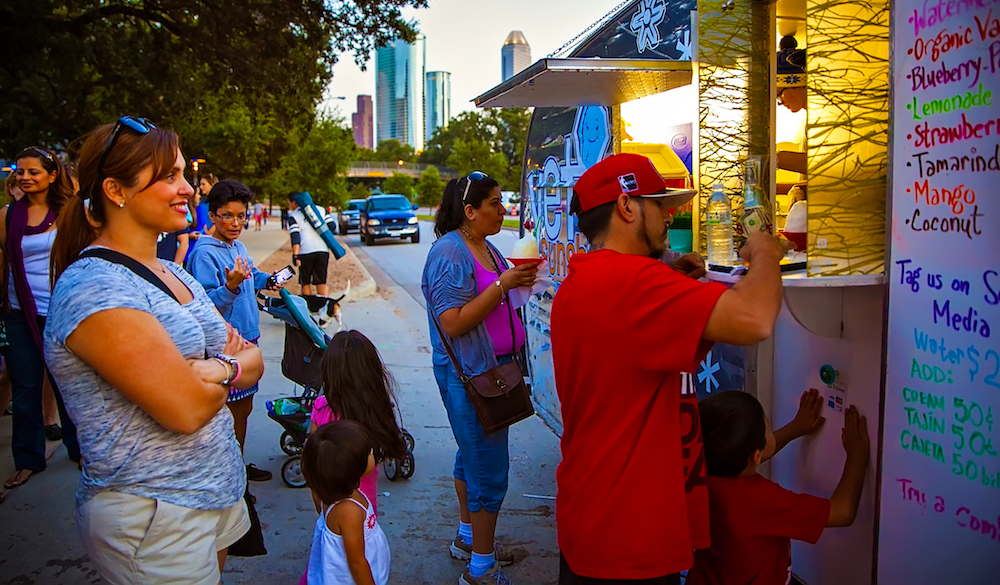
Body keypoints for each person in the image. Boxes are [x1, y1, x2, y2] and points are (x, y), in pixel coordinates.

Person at [550, 152, 793, 583]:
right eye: (660, 205)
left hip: (591, 516)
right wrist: (765, 253)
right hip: (627, 539)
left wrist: (677, 287)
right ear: (627, 206)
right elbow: (756, 318)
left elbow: (632, 347)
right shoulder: (636, 284)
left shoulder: (583, 279)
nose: (668, 218)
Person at [45, 116, 263, 583]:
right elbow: (185, 408)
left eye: (184, 174)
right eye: (170, 176)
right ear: (116, 190)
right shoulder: (95, 285)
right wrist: (225, 369)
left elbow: (255, 361)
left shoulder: (177, 275)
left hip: (215, 494)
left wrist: (210, 369)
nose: (188, 188)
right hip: (155, 514)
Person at [421, 172, 537, 585]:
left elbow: (499, 295)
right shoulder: (451, 252)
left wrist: (519, 281)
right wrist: (503, 286)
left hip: (493, 371)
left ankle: (470, 539)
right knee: (489, 471)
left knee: (470, 454)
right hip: (471, 376)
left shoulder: (484, 246)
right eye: (494, 203)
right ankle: (481, 569)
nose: (503, 210)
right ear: (469, 211)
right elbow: (451, 322)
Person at [687, 390, 870, 585]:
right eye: (767, 427)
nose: (770, 429)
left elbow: (741, 458)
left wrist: (795, 428)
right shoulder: (761, 500)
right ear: (756, 455)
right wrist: (857, 454)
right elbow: (843, 512)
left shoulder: (698, 473)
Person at [1, 146, 81, 489]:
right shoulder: (7, 215)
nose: (24, 177)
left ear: (52, 175)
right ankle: (28, 459)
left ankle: (79, 449)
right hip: (19, 311)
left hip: (61, 309)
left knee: (68, 384)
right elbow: (3, 260)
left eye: (33, 171)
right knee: (26, 385)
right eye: (20, 171)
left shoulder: (68, 213)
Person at [299, 331, 406, 584]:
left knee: (330, 558)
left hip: (331, 504)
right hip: (358, 510)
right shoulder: (371, 412)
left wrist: (321, 500)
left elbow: (312, 454)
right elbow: (357, 563)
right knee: (353, 561)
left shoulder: (322, 407)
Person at [188, 180, 275, 483]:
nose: (236, 223)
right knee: (231, 413)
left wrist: (268, 280)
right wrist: (230, 286)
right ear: (212, 216)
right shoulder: (204, 254)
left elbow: (251, 274)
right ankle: (229, 476)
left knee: (244, 409)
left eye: (241, 216)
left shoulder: (237, 246)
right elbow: (204, 306)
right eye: (227, 215)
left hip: (248, 338)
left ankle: (236, 464)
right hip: (227, 344)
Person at [302, 420, 391, 585]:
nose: (373, 453)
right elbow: (356, 562)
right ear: (352, 467)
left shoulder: (332, 491)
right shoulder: (349, 511)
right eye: (369, 453)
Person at [287, 191, 337, 296]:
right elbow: (332, 226)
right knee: (321, 282)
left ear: (294, 202)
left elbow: (295, 237)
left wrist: (295, 255)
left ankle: (309, 307)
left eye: (289, 203)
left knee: (305, 282)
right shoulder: (321, 210)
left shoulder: (294, 216)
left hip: (305, 251)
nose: (290, 206)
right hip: (322, 250)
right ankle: (323, 307)